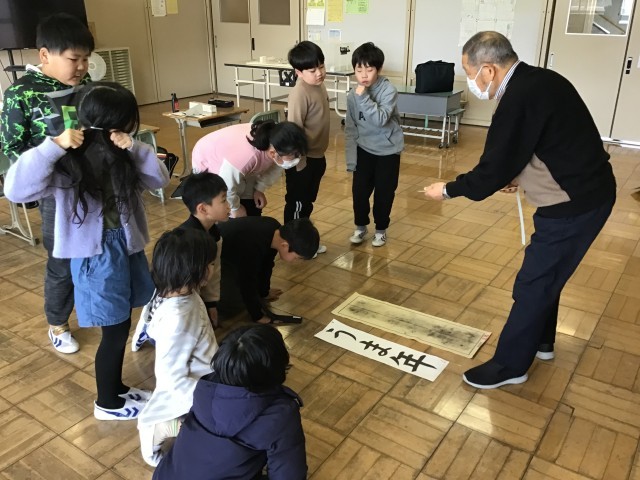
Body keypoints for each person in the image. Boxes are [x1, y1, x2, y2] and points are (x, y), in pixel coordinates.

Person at [423, 31, 616, 389]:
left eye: (471, 73)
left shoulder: (518, 98)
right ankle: (542, 342)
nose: (472, 82)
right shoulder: (541, 80)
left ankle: (510, 366)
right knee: (548, 275)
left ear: (489, 70)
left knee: (534, 282)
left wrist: (448, 189)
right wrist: (517, 175)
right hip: (587, 191)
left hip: (574, 204)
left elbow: (491, 170)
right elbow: (541, 143)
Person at [5, 82, 170, 418]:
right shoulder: (69, 159)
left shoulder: (123, 154)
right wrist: (53, 146)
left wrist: (135, 147)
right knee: (113, 330)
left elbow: (160, 181)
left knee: (121, 323)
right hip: (96, 258)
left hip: (126, 248)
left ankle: (117, 390)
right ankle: (107, 403)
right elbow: (15, 190)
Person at [0, 13, 94, 354]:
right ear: (45, 55)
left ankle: (95, 306)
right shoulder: (20, 93)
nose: (81, 67)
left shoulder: (86, 83)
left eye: (86, 59)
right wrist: (53, 147)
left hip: (93, 182)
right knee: (62, 260)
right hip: (56, 191)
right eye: (74, 59)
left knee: (98, 249)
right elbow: (11, 147)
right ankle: (57, 323)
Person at [153, 324, 307, 480]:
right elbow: (289, 475)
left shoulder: (206, 387)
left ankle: (167, 428)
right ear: (278, 364)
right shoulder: (281, 413)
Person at [136, 229, 219, 467]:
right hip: (195, 384)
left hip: (205, 372)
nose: (213, 268)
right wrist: (211, 399)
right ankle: (159, 427)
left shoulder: (174, 288)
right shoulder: (179, 319)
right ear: (194, 269)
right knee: (215, 429)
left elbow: (146, 320)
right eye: (210, 264)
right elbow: (171, 379)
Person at [345, 42, 404, 248]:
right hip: (363, 150)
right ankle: (360, 227)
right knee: (359, 192)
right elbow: (350, 128)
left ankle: (381, 230)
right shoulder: (352, 95)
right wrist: (351, 160)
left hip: (388, 151)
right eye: (359, 70)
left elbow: (380, 119)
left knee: (384, 193)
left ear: (379, 69)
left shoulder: (388, 90)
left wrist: (363, 97)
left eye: (369, 70)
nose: (364, 75)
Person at [191, 121, 308, 218]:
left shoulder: (278, 143)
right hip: (208, 158)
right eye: (294, 155)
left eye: (298, 154)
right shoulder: (247, 156)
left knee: (251, 203)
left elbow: (274, 169)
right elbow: (226, 185)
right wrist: (235, 208)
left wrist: (259, 189)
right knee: (224, 210)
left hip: (236, 162)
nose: (297, 158)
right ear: (273, 153)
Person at [217, 217, 319, 324]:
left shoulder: (276, 232)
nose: (295, 261)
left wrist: (264, 292)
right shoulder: (253, 244)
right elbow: (247, 281)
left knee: (251, 291)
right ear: (285, 246)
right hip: (216, 257)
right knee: (235, 303)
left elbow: (267, 264)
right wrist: (258, 316)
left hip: (235, 254)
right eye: (297, 258)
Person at [285, 41, 330, 256]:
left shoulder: (319, 85)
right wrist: (300, 163)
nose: (319, 73)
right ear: (299, 72)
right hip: (302, 161)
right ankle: (293, 244)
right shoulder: (299, 93)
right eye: (312, 70)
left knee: (307, 203)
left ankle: (304, 241)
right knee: (297, 204)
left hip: (317, 156)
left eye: (321, 66)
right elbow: (294, 131)